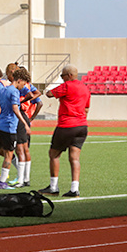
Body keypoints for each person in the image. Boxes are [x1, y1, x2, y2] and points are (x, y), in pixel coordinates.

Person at [39, 65, 90, 197]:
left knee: (54, 154)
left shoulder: (67, 86)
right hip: (82, 125)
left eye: (62, 76)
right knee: (74, 158)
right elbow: (86, 109)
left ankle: (53, 186)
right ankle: (74, 188)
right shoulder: (85, 88)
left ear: (69, 75)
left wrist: (55, 85)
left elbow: (49, 94)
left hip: (67, 125)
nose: (62, 79)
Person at [14, 67, 42, 187]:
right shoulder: (30, 86)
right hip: (25, 117)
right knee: (25, 149)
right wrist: (31, 118)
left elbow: (34, 96)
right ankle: (26, 178)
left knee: (18, 149)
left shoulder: (21, 87)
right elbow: (39, 101)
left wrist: (22, 101)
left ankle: (21, 179)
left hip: (19, 116)